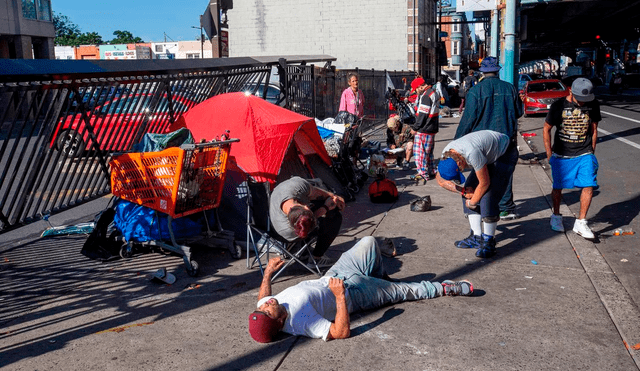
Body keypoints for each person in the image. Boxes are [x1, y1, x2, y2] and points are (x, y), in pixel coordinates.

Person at [248, 236, 473, 342]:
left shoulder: (267, 307)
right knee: (405, 290)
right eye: (267, 311)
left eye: (263, 307)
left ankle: (380, 279)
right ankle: (444, 288)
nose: (267, 303)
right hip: (354, 293)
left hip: (334, 274)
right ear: (279, 323)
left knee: (368, 242)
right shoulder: (301, 322)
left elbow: (263, 297)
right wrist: (340, 298)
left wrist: (267, 273)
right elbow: (340, 333)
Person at [455, 56, 523, 221]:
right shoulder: (510, 88)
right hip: (506, 141)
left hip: (483, 144)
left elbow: (468, 121)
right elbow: (519, 112)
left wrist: (456, 143)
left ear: (482, 72)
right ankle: (505, 208)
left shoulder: (475, 92)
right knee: (503, 175)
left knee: (482, 178)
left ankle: (481, 209)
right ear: (498, 70)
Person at [436, 130, 514, 258]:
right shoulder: (446, 154)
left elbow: (484, 183)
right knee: (469, 189)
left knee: (487, 197)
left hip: (505, 153)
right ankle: (476, 237)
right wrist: (462, 191)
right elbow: (440, 180)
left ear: (460, 162)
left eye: (460, 170)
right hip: (487, 155)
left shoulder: (472, 153)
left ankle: (489, 241)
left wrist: (472, 202)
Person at [542, 77, 601, 240]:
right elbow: (546, 129)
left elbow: (594, 129)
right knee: (558, 187)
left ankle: (581, 222)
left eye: (585, 99)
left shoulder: (593, 104)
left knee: (589, 184)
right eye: (580, 99)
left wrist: (591, 152)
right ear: (570, 91)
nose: (582, 103)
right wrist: (549, 155)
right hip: (561, 155)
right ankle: (556, 216)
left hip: (584, 153)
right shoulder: (558, 106)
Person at [269, 176, 345, 267]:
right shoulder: (289, 230)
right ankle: (317, 258)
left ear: (300, 205)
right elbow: (305, 226)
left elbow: (315, 192)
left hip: (269, 228)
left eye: (307, 207)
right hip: (284, 235)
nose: (307, 206)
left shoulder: (298, 187)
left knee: (321, 202)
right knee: (335, 218)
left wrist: (334, 197)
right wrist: (324, 208)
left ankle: (300, 251)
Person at [409, 77, 440, 183]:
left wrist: (415, 128)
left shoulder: (426, 96)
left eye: (416, 89)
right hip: (432, 127)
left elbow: (423, 114)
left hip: (424, 129)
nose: (416, 92)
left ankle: (422, 173)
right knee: (428, 153)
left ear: (420, 87)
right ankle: (431, 170)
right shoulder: (433, 92)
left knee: (420, 153)